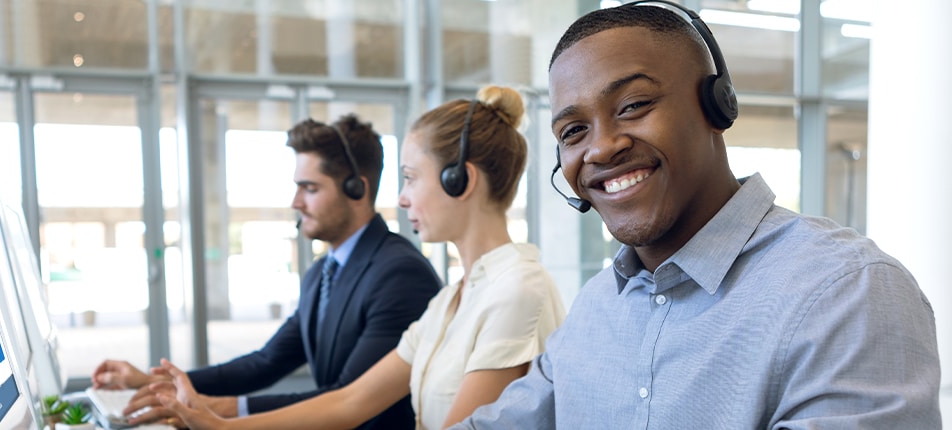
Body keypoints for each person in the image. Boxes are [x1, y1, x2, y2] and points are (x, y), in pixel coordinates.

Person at [451, 2, 942, 429]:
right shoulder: (597, 306)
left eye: (633, 105)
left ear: (716, 106)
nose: (600, 147)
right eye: (574, 131)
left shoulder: (847, 292)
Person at [150, 85, 568, 430]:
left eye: (410, 178)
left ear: (459, 180)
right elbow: (351, 401)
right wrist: (216, 423)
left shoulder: (517, 289)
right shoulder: (452, 300)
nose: (402, 199)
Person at [92, 114, 442, 429]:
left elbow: (346, 398)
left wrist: (221, 411)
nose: (296, 202)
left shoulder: (400, 275)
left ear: (357, 189)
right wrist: (150, 382)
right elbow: (267, 361)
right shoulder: (323, 272)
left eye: (310, 188)